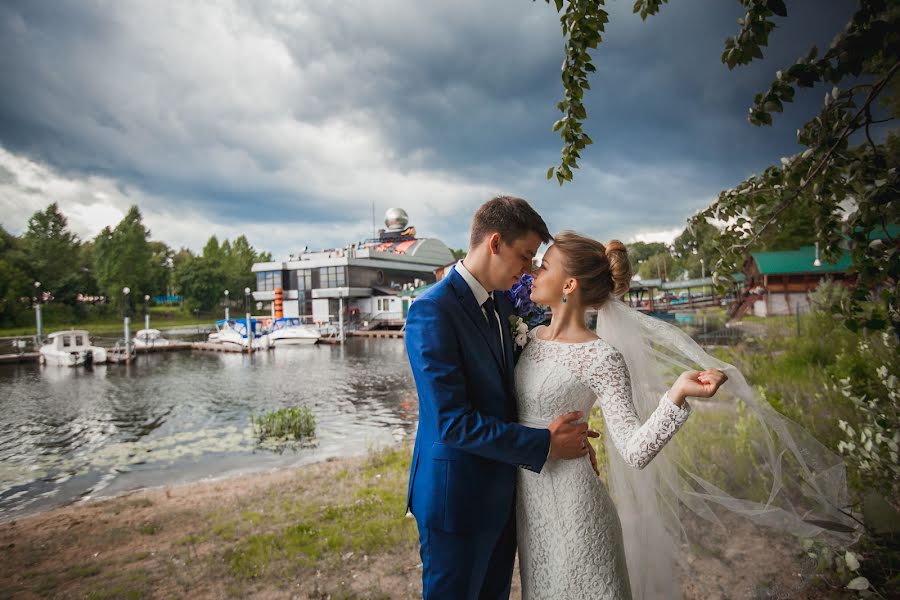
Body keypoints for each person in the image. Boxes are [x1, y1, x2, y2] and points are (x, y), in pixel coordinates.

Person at [515, 231, 858, 599]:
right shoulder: (528, 337)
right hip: (531, 513)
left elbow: (634, 450)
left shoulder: (601, 357)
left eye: (544, 266)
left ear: (568, 284)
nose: (533, 273)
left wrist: (676, 394)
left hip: (576, 512)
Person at [404, 197, 597, 599]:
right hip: (456, 502)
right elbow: (452, 422)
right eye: (525, 257)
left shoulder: (505, 302)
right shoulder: (432, 311)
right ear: (495, 243)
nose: (528, 271)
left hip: (503, 498)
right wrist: (545, 444)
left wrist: (569, 434)